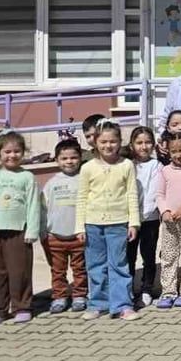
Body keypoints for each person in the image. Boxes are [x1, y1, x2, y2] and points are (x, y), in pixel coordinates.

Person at [76, 119, 140, 321]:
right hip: (93, 224)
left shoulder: (127, 165)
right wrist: (80, 227)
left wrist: (133, 223)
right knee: (95, 266)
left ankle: (122, 305)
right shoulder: (88, 167)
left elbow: (132, 194)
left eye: (112, 141)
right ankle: (97, 304)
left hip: (118, 223)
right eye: (103, 142)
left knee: (119, 265)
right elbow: (82, 197)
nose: (108, 146)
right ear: (95, 142)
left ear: (120, 142)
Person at [0, 130, 41, 326]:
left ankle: (22, 307)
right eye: (7, 152)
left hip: (19, 232)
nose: (12, 155)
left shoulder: (27, 177)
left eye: (16, 151)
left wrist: (32, 231)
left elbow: (33, 205)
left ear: (23, 153)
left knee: (19, 272)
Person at [42, 138, 87, 314]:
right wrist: (43, 232)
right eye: (64, 158)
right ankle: (59, 297)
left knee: (80, 269)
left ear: (80, 158)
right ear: (57, 160)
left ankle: (79, 295)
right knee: (57, 271)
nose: (69, 161)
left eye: (73, 157)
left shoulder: (84, 180)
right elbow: (43, 208)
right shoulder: (51, 183)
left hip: (78, 236)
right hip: (55, 236)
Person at [154, 131, 181, 309]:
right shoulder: (165, 171)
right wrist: (164, 211)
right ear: (169, 152)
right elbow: (159, 194)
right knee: (169, 257)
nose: (178, 155)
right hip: (169, 223)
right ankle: (169, 292)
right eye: (174, 152)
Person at [125, 126, 161, 308]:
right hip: (130, 219)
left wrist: (150, 211)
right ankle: (128, 288)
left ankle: (147, 288)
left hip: (151, 218)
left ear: (153, 145)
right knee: (128, 256)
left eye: (147, 142)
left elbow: (155, 191)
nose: (143, 146)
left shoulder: (156, 165)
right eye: (139, 143)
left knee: (148, 255)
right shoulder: (126, 165)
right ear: (132, 145)